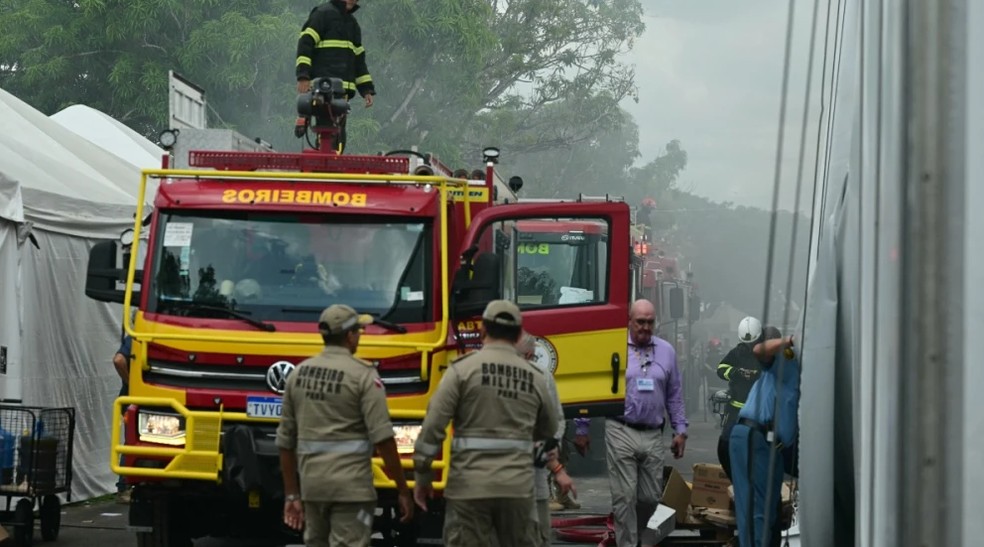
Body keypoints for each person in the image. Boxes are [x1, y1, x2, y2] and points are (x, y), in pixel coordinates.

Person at [411, 300, 559, 547]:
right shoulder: (535, 377)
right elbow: (548, 429)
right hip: (517, 490)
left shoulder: (461, 371)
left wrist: (422, 478)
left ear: (482, 329)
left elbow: (432, 429)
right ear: (517, 333)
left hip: (469, 490)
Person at [276, 304, 412, 547]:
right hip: (351, 491)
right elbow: (383, 440)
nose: (361, 335)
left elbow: (285, 442)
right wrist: (402, 489)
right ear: (349, 336)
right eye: (359, 331)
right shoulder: (363, 376)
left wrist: (292, 494)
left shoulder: (298, 375)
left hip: (313, 489)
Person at [572, 299, 688, 547]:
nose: (645, 327)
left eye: (650, 322)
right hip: (620, 430)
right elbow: (593, 388)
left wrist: (680, 430)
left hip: (653, 433)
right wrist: (582, 428)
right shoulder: (614, 347)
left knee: (649, 498)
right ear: (629, 322)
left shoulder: (666, 351)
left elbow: (675, 394)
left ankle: (638, 540)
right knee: (624, 498)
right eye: (640, 322)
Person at [728, 327, 799, 547]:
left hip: (769, 445)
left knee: (768, 511)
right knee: (756, 511)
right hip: (755, 437)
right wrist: (791, 341)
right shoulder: (786, 361)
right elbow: (760, 350)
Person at [517, 332, 576, 546]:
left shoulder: (542, 378)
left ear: (530, 355)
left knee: (540, 534)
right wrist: (557, 469)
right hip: (505, 483)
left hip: (536, 476)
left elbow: (556, 421)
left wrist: (553, 460)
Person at [295, 0, 376, 152]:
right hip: (322, 89)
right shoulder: (322, 14)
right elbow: (306, 43)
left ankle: (331, 162)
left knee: (339, 135)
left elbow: (359, 60)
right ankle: (323, 162)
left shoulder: (352, 24)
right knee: (326, 131)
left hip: (342, 92)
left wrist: (366, 90)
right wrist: (303, 76)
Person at [715, 316, 767, 481]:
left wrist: (757, 375)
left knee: (758, 450)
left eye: (753, 343)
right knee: (726, 446)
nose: (750, 347)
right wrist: (737, 372)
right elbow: (721, 368)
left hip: (760, 413)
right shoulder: (737, 353)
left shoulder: (767, 355)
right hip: (735, 411)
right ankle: (735, 479)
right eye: (747, 344)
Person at [113, 330, 133, 503]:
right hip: (134, 400)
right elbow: (118, 360)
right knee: (132, 442)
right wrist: (133, 384)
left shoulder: (133, 338)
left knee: (131, 442)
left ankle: (125, 486)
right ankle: (124, 486)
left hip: (130, 400)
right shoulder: (136, 338)